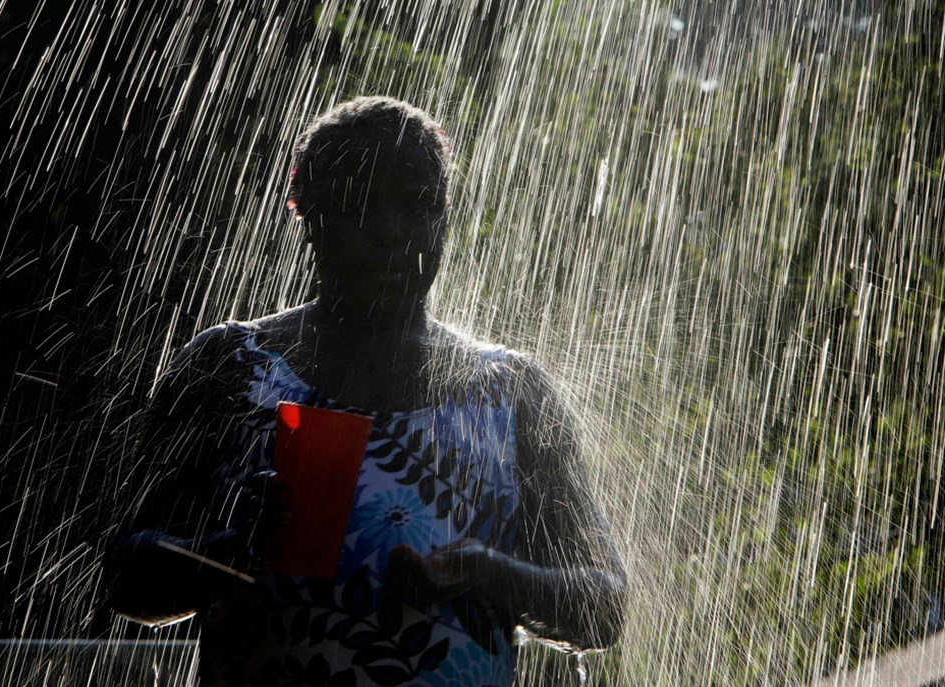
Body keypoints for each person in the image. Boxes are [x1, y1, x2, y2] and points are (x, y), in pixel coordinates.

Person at [105, 96, 626, 687]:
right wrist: (229, 551)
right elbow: (123, 571)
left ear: (447, 217)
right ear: (304, 213)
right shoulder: (230, 368)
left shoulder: (512, 394)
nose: (391, 233)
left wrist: (488, 572)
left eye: (419, 205)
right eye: (357, 205)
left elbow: (604, 604)